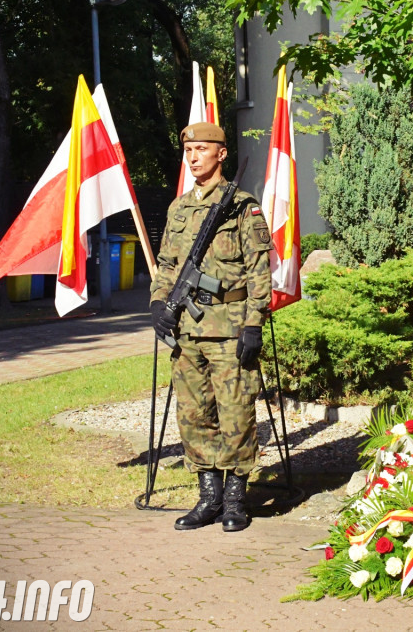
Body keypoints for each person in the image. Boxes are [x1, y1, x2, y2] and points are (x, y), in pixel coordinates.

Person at [150, 122, 272, 532]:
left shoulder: (242, 205)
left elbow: (259, 271)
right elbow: (168, 265)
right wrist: (156, 304)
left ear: (221, 154)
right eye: (189, 150)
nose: (193, 156)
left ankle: (236, 500)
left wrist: (253, 323)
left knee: (236, 412)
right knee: (194, 413)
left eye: (202, 149)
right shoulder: (178, 208)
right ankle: (209, 497)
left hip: (230, 328)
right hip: (187, 330)